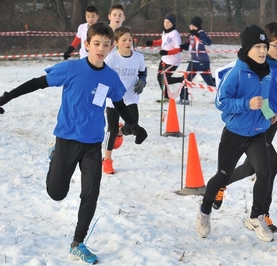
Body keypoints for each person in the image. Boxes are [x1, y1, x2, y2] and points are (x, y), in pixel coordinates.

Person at [0, 22, 148, 264]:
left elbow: (119, 103)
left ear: (111, 48)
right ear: (87, 44)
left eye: (106, 45)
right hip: (67, 139)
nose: (101, 49)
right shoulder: (71, 69)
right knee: (56, 193)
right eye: (96, 44)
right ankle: (54, 155)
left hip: (93, 143)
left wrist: (135, 125)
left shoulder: (111, 77)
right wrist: (6, 97)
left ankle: (78, 243)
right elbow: (38, 82)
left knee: (91, 193)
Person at [212, 22, 277, 234]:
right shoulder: (255, 60)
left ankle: (221, 183)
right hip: (250, 121)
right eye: (276, 45)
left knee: (251, 167)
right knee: (272, 163)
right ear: (263, 44)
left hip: (272, 121)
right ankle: (260, 214)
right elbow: (224, 74)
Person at [196, 25, 277, 242]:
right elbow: (221, 102)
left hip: (258, 133)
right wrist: (246, 104)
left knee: (265, 172)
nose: (262, 51)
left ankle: (256, 215)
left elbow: (264, 99)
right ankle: (204, 210)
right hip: (234, 134)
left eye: (264, 46)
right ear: (247, 48)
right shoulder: (237, 72)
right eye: (257, 47)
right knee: (222, 176)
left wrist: (269, 113)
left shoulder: (267, 71)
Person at [103, 26, 147, 174]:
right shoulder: (111, 58)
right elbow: (103, 79)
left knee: (133, 127)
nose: (128, 42)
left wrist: (142, 83)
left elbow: (142, 74)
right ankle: (107, 160)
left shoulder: (138, 57)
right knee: (111, 129)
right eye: (124, 40)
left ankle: (121, 132)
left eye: (130, 39)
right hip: (113, 98)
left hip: (130, 97)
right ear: (116, 43)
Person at [145, 13, 183, 102]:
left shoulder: (175, 34)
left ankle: (182, 79)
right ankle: (166, 97)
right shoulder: (165, 32)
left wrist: (167, 52)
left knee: (166, 79)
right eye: (165, 21)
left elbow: (179, 49)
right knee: (160, 78)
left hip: (173, 61)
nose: (166, 24)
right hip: (164, 60)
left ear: (173, 23)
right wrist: (153, 43)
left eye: (168, 22)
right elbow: (163, 41)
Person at [180, 16, 216, 105]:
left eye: (193, 26)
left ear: (197, 26)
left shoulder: (201, 33)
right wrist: (182, 46)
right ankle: (184, 98)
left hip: (202, 63)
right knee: (186, 80)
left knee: (210, 82)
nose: (191, 27)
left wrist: (197, 34)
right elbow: (187, 44)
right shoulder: (191, 35)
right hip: (193, 62)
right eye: (190, 25)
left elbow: (208, 42)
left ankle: (226, 91)